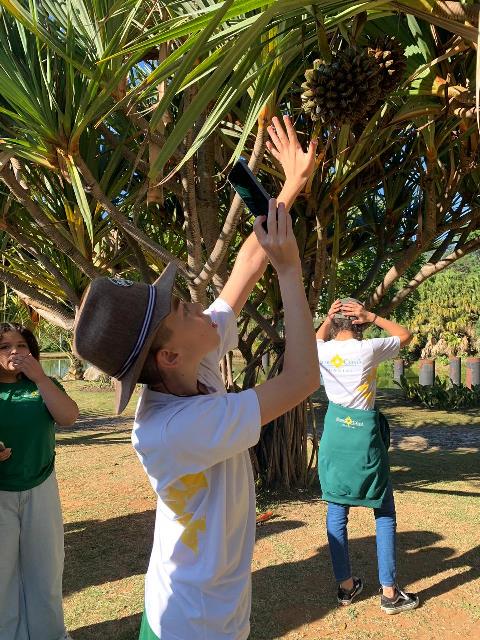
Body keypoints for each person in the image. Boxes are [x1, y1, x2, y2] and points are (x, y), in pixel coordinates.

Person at [73, 115, 319, 640]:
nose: (201, 312)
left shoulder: (191, 365)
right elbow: (301, 379)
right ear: (167, 357)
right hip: (192, 626)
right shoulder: (176, 427)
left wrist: (291, 187)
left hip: (208, 609)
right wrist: (292, 271)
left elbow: (243, 272)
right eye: (183, 310)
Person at [315, 298, 419, 614]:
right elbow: (405, 335)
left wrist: (329, 317)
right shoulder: (367, 350)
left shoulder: (322, 351)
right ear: (358, 324)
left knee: (337, 509)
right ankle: (389, 593)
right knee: (383, 509)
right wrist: (372, 315)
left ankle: (346, 588)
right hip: (363, 439)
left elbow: (316, 339)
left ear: (334, 323)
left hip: (334, 436)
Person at [0, 322, 79, 640]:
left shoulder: (44, 384)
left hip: (40, 487)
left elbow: (68, 417)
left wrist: (40, 378)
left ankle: (51, 635)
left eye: (21, 345)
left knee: (45, 568)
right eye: (5, 346)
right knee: (2, 574)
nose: (15, 352)